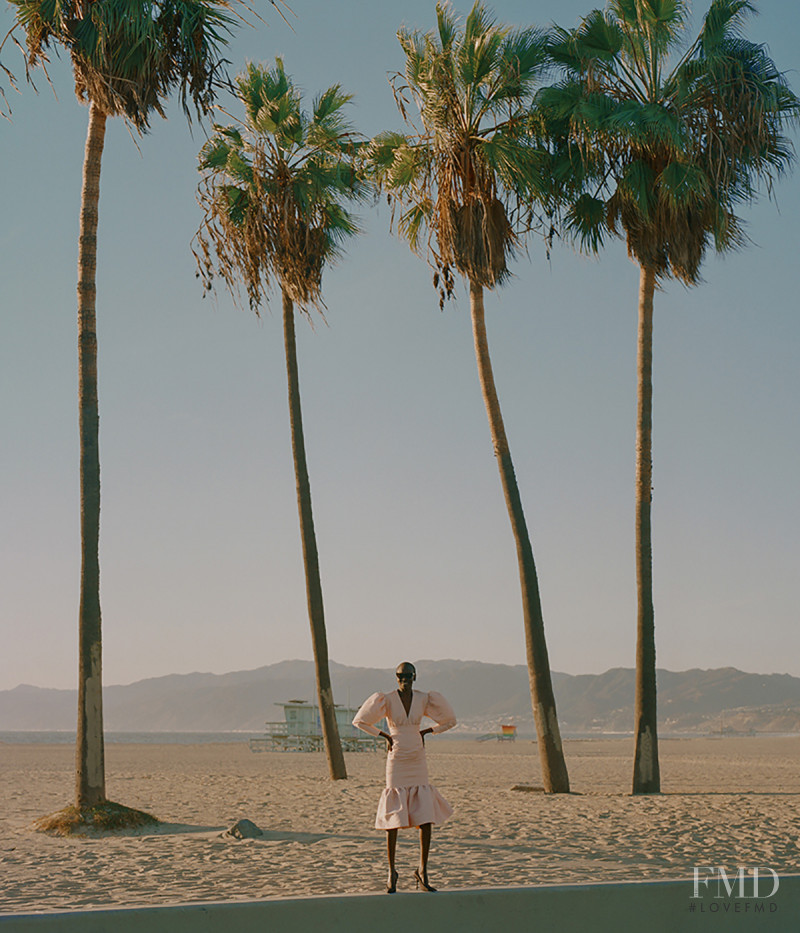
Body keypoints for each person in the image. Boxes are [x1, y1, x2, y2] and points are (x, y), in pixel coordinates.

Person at [352, 661, 456, 893]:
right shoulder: (386, 699)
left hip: (417, 756)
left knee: (426, 817)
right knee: (393, 818)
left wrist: (429, 731)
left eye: (408, 675)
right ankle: (392, 872)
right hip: (397, 756)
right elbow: (359, 721)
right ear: (395, 677)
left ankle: (422, 870)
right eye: (400, 676)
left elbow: (450, 720)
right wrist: (385, 736)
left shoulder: (424, 698)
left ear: (415, 676)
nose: (404, 679)